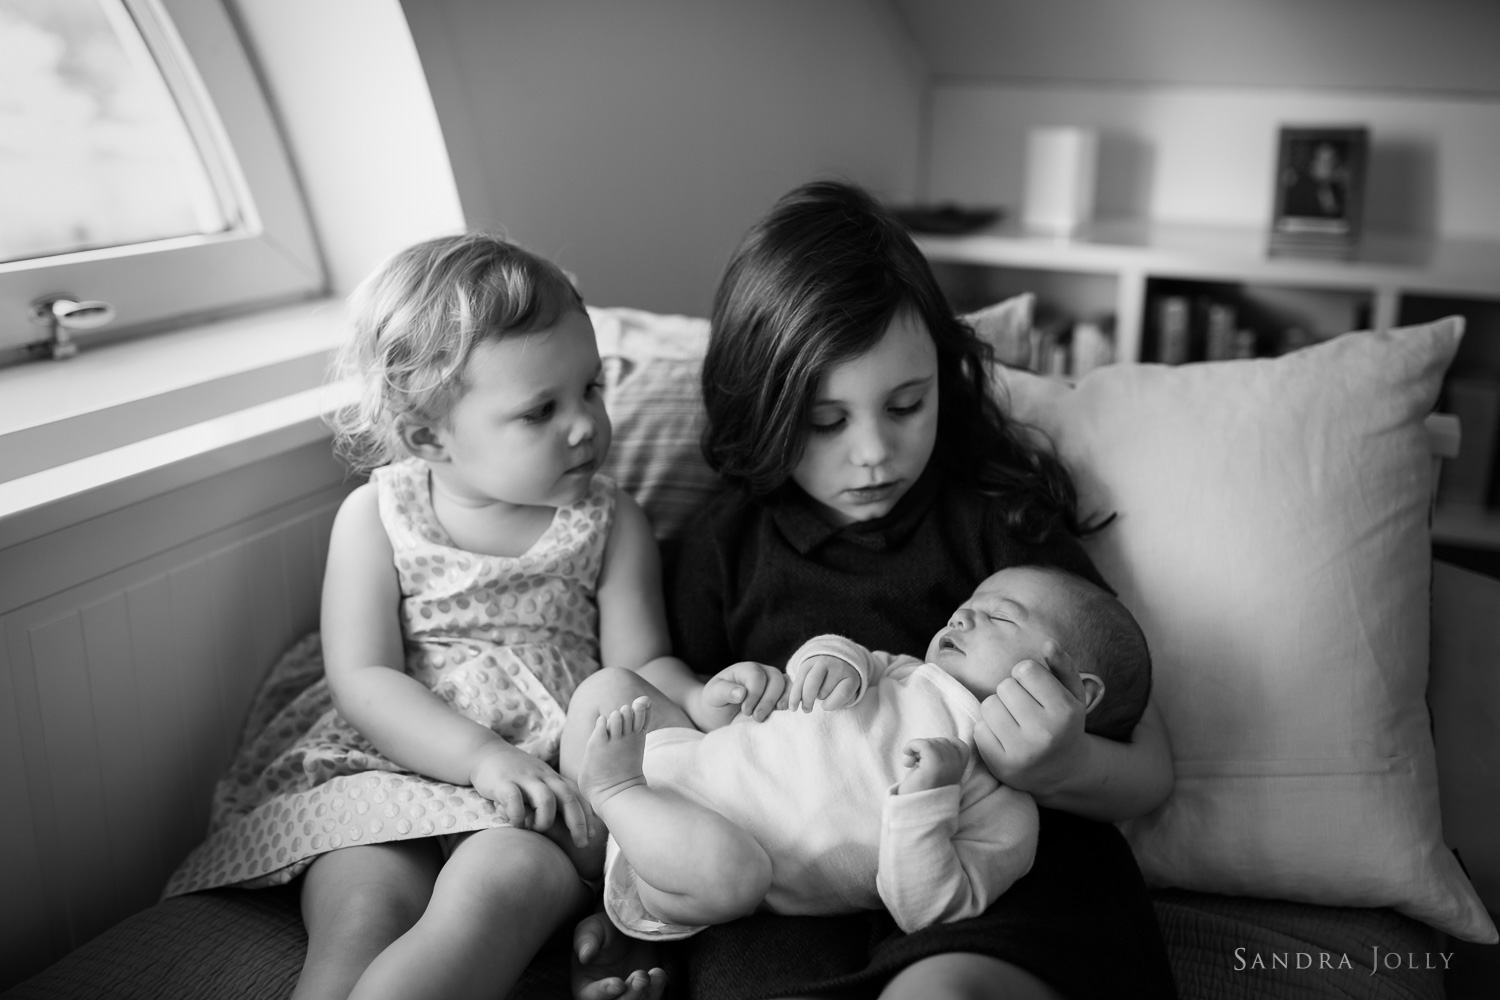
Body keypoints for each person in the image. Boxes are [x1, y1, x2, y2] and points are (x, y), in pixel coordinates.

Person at [569, 180, 1177, 1000]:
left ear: (941, 377)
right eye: (827, 423)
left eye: (906, 405)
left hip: (993, 863)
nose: (874, 454)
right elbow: (670, 700)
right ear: (765, 407)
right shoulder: (728, 540)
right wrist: (714, 695)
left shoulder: (995, 521)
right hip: (785, 880)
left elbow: (1149, 769)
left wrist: (1066, 762)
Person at [161, 233, 692, 1000]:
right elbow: (363, 675)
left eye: (592, 389)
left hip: (541, 787)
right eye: (541, 409)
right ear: (426, 436)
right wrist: (478, 757)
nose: (584, 425)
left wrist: (707, 698)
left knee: (493, 894)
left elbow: (637, 675)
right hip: (392, 760)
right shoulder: (377, 514)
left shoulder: (613, 523)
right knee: (362, 912)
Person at [571, 564, 1152, 944]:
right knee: (608, 687)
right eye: (970, 602)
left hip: (693, 854)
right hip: (690, 758)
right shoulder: (910, 673)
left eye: (1000, 616)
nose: (962, 614)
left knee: (737, 874)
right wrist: (824, 664)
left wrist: (924, 804)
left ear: (1076, 691)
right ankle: (586, 847)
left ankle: (611, 795)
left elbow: (930, 910)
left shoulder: (1006, 811)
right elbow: (852, 654)